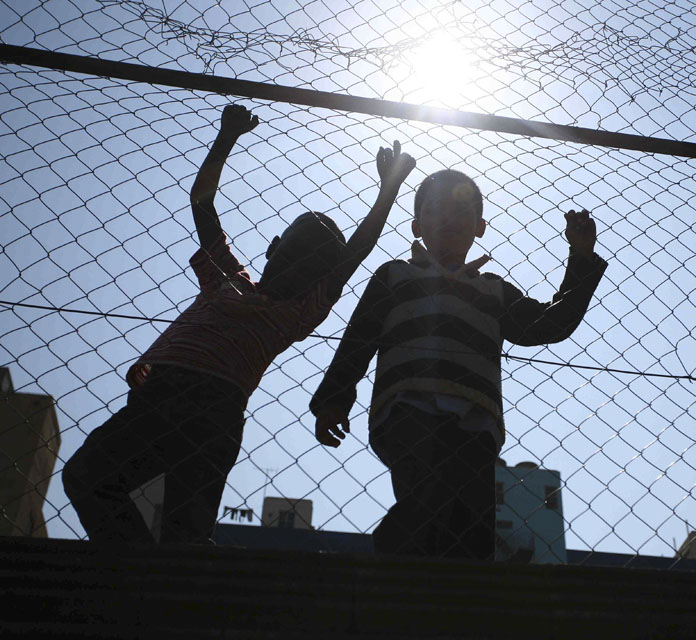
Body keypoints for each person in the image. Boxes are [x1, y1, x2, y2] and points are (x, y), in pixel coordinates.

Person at [63, 104, 416, 545]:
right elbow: (201, 203)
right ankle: (140, 567)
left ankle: (152, 570)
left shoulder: (299, 311)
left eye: (319, 258)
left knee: (177, 529)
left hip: (216, 409)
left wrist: (388, 191)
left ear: (324, 276)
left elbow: (358, 250)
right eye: (299, 246)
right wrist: (226, 138)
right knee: (89, 478)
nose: (305, 258)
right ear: (272, 247)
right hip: (161, 396)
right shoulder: (226, 277)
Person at [310, 169, 607, 560]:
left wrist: (580, 258)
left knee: (473, 523)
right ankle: (386, 567)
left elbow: (550, 324)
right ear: (417, 226)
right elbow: (358, 339)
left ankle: (455, 590)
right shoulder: (394, 275)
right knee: (428, 492)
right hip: (407, 408)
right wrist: (334, 398)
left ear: (480, 227)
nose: (448, 218)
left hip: (476, 420)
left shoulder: (493, 290)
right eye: (436, 210)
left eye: (461, 210)